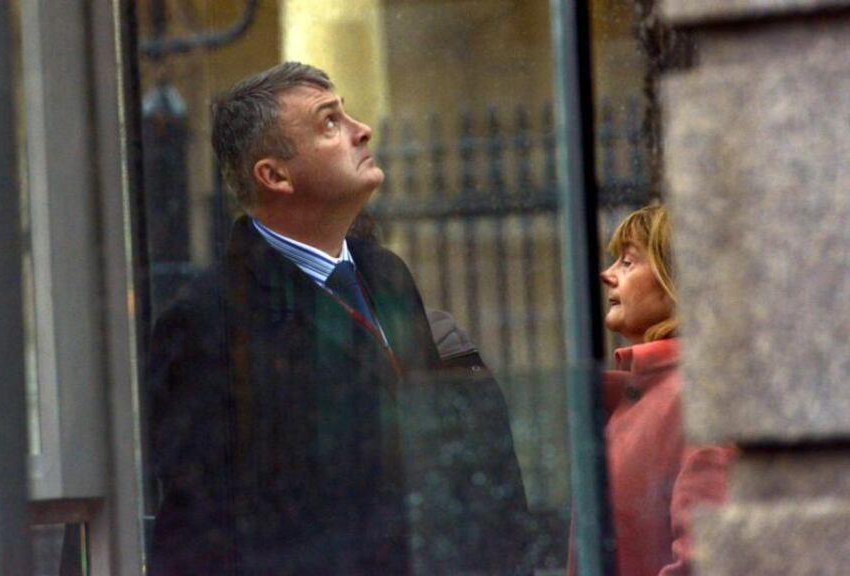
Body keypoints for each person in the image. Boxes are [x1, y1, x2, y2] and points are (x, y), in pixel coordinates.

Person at [147, 62, 531, 575]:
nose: (361, 129)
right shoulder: (204, 321)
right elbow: (199, 531)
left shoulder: (386, 273)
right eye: (330, 122)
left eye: (346, 113)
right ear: (275, 175)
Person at [570, 204, 733, 575]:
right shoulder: (650, 392)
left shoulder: (694, 395)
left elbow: (707, 559)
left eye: (628, 262)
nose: (607, 274)